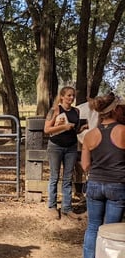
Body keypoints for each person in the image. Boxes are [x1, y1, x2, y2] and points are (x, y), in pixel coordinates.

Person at [80, 92, 125, 258]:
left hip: (95, 184)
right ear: (115, 109)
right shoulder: (123, 130)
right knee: (110, 230)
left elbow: (84, 165)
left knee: (92, 227)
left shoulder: (90, 135)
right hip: (117, 185)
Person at [43, 86, 85, 220]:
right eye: (68, 95)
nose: (71, 98)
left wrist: (81, 128)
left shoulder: (76, 111)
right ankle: (52, 207)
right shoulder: (54, 110)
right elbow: (47, 129)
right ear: (62, 97)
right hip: (56, 146)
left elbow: (74, 130)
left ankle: (67, 208)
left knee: (68, 178)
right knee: (54, 177)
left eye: (73, 96)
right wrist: (63, 126)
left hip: (71, 147)